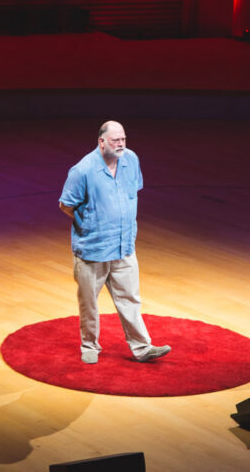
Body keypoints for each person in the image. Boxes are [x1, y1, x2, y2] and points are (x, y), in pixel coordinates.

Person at [59, 120, 171, 364]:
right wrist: (89, 222)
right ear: (101, 141)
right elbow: (65, 205)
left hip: (124, 245)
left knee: (130, 298)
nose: (121, 144)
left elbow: (132, 193)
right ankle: (89, 346)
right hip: (93, 249)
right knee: (89, 302)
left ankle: (142, 347)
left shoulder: (131, 160)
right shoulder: (83, 170)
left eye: (123, 139)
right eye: (115, 140)